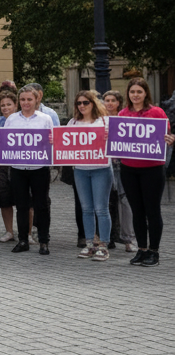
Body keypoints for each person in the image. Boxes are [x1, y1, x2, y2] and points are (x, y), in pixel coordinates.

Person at [119, 77, 174, 267]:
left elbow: (166, 135)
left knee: (152, 211)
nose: (135, 95)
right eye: (132, 92)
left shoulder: (157, 112)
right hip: (128, 169)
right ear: (128, 94)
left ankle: (154, 251)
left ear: (145, 94)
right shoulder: (123, 113)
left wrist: (170, 139)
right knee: (137, 211)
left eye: (139, 92)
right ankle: (142, 249)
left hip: (152, 169)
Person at [0, 85, 54, 255]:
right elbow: (6, 141)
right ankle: (22, 240)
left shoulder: (45, 119)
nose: (26, 102)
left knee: (41, 205)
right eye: (23, 99)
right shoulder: (12, 119)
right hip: (18, 168)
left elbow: (51, 141)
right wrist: (0, 143)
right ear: (19, 101)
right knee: (21, 205)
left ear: (36, 100)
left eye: (29, 99)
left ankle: (43, 241)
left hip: (39, 168)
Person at [66, 91, 112, 261]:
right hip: (80, 170)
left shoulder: (105, 121)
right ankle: (90, 244)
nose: (82, 106)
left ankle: (104, 245)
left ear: (93, 103)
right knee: (86, 209)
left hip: (101, 168)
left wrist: (110, 136)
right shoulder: (73, 122)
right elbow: (65, 143)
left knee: (101, 208)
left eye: (85, 102)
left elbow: (116, 143)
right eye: (79, 103)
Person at [102, 90, 134, 253]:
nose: (109, 103)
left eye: (112, 100)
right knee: (104, 202)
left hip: (121, 163)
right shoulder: (98, 120)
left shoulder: (124, 119)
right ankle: (105, 239)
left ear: (119, 103)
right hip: (103, 164)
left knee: (125, 201)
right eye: (106, 100)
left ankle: (129, 239)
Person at [0, 90, 18, 242]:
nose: (6, 108)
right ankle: (9, 231)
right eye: (2, 105)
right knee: (4, 199)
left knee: (25, 200)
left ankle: (27, 233)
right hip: (0, 165)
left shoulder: (22, 120)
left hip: (20, 165)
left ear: (15, 105)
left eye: (9, 104)